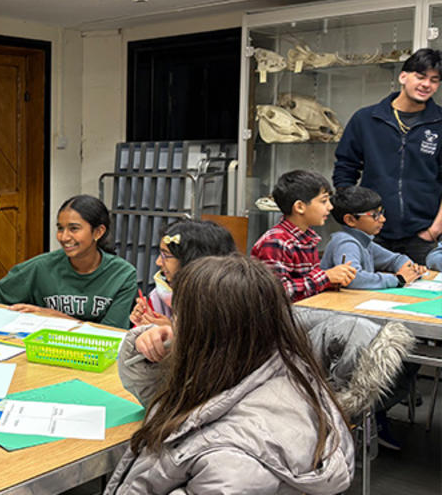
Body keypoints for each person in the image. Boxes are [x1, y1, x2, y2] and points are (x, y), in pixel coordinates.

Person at [105, 255, 354, 494]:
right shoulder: (267, 367)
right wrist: (146, 353)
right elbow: (164, 397)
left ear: (210, 333)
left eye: (179, 317)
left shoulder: (229, 462)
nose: (172, 325)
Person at [334, 48, 442, 264]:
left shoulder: (440, 122)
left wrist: (433, 230)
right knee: (367, 293)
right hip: (372, 235)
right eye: (420, 77)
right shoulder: (366, 119)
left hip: (424, 237)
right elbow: (345, 171)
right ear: (403, 76)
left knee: (426, 296)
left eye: (434, 80)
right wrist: (358, 220)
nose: (426, 85)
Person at [0, 194, 137, 328]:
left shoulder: (123, 275)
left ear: (98, 232)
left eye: (74, 229)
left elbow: (112, 333)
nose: (64, 237)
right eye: (60, 228)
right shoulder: (41, 266)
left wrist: (56, 317)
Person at [251, 169, 356, 301]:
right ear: (300, 207)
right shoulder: (277, 241)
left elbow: (309, 286)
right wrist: (325, 277)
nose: (330, 207)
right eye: (324, 201)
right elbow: (276, 293)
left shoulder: (307, 238)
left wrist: (333, 280)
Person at [129, 218, 236, 326]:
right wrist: (144, 323)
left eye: (165, 255)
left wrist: (174, 334)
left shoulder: (226, 304)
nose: (158, 262)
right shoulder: (162, 294)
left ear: (193, 260)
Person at [321, 186, 425, 290]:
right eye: (375, 215)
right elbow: (353, 278)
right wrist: (398, 279)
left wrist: (411, 270)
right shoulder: (346, 243)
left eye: (381, 213)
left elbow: (395, 259)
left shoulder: (364, 242)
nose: (383, 219)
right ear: (350, 220)